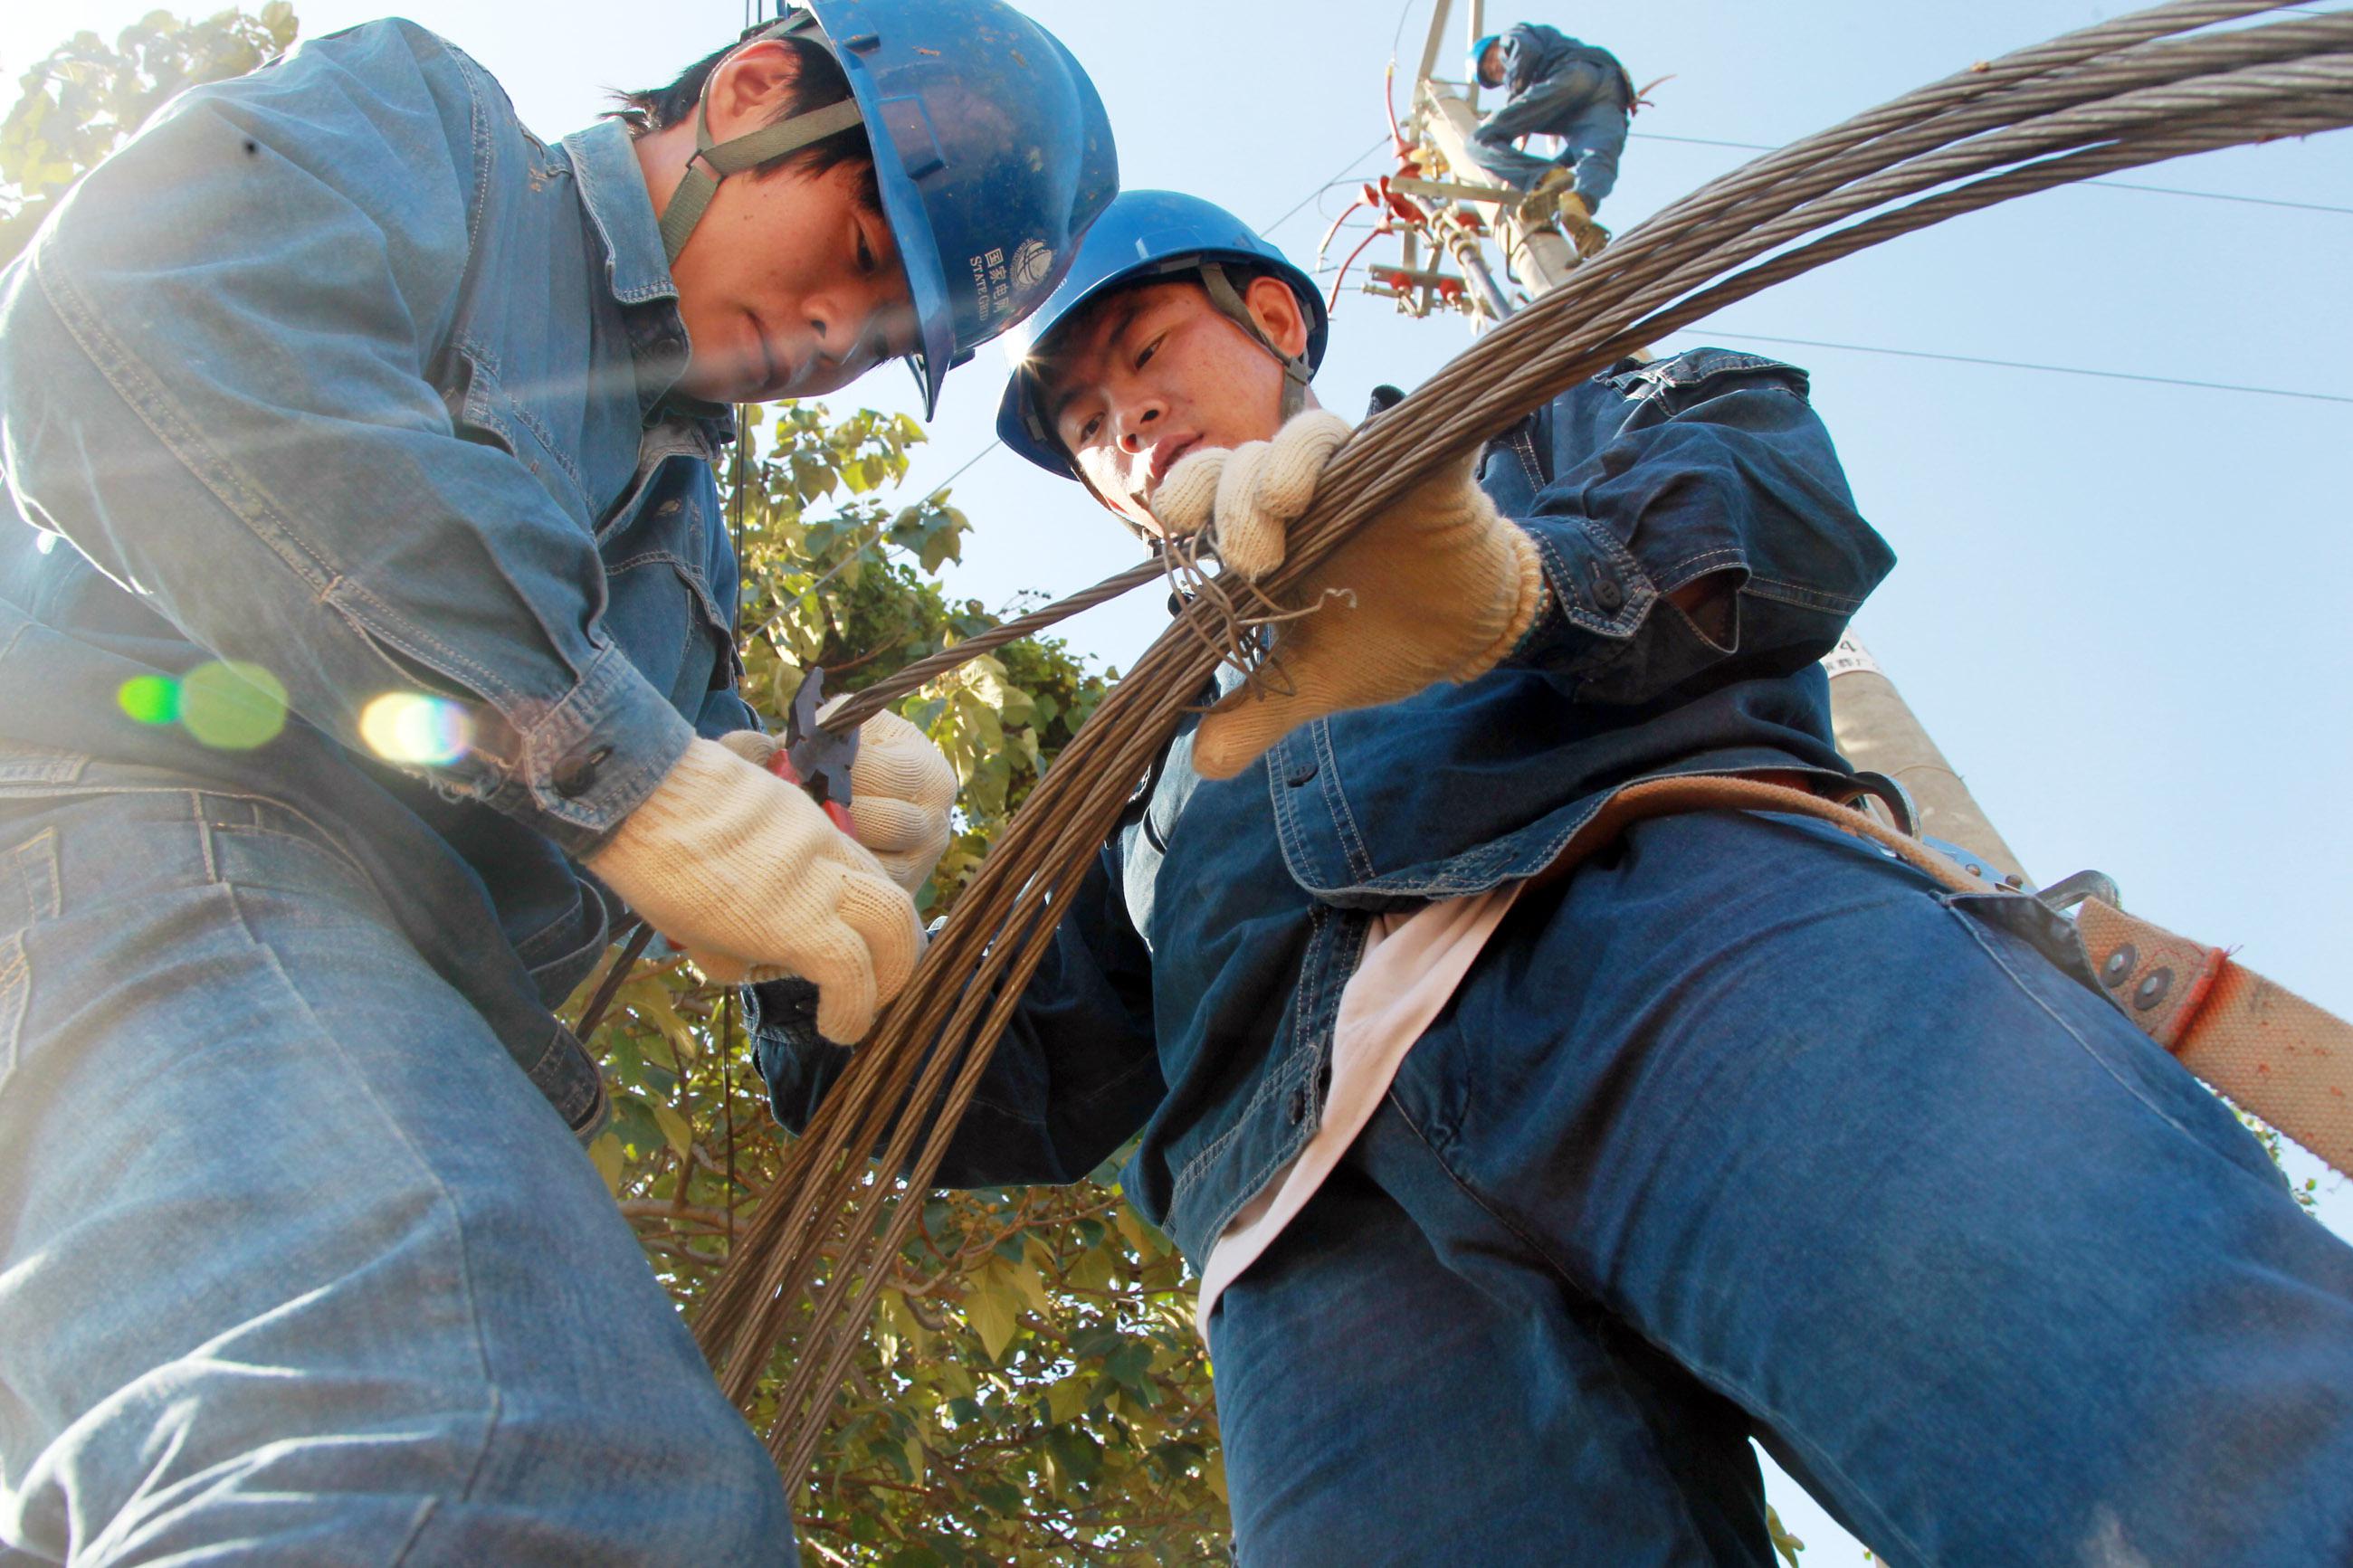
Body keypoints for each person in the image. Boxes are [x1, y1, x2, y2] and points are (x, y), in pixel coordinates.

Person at [760, 191, 2353, 1564]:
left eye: (1142, 358)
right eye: (1091, 430)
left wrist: (1527, 580)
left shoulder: (1531, 416)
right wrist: (794, 920)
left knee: (2198, 1462)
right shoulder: (1153, 776)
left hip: (1693, 955)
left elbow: (1774, 486)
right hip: (1314, 1240)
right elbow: (1008, 1082)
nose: (1126, 427)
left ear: (1269, 314)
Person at [0, 3, 1112, 1560]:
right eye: (861, 243)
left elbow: (672, 807)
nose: (844, 336)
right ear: (757, 88)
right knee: (527, 1467)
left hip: (309, 1003)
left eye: (893, 335)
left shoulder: (693, 551)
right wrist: (619, 761)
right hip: (120, 825)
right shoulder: (442, 137)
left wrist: (808, 802)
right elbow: (137, 320)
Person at [1467, 22, 1635, 255]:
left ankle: (1546, 177)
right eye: (1490, 75)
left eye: (1490, 60)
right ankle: (1578, 204)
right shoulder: (1549, 92)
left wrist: (1517, 102)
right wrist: (1562, 164)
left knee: (1479, 142)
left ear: (1495, 44)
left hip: (1571, 74)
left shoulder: (1512, 37)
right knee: (1599, 157)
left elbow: (1524, 49)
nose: (1495, 68)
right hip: (1610, 92)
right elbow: (1581, 147)